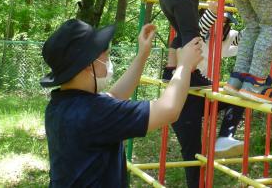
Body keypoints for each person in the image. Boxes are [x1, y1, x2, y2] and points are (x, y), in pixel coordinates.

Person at [40, 19, 203, 188]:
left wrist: (142, 55)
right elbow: (168, 109)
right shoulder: (96, 112)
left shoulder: (60, 106)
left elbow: (113, 96)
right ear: (89, 64)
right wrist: (184, 65)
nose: (109, 62)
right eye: (107, 55)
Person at [163, 1, 245, 188]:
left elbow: (245, 37)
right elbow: (199, 28)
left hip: (202, 94)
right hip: (182, 99)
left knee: (241, 94)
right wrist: (212, 11)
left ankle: (225, 136)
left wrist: (263, 20)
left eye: (224, 22)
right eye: (216, 19)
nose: (220, 25)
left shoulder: (223, 38)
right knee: (193, 152)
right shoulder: (191, 36)